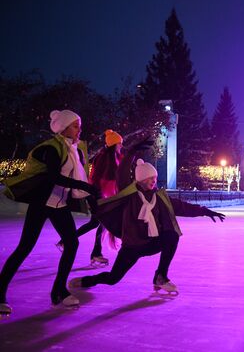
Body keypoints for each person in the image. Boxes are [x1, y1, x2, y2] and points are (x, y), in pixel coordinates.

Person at [69, 157, 225, 296]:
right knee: (112, 278)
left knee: (172, 236)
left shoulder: (159, 197)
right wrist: (130, 153)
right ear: (141, 179)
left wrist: (205, 211)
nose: (154, 181)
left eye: (155, 178)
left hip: (151, 243)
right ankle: (86, 281)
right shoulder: (130, 197)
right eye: (151, 178)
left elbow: (182, 207)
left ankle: (161, 276)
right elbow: (121, 174)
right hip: (132, 247)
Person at [0, 110, 100, 316]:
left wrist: (92, 199)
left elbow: (78, 179)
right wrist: (86, 187)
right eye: (75, 126)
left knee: (72, 243)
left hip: (59, 205)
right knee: (25, 247)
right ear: (63, 128)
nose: (79, 129)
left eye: (79, 125)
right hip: (42, 202)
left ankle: (59, 291)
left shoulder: (75, 149)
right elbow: (54, 177)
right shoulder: (52, 148)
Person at [55, 129, 124, 266]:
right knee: (101, 223)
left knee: (96, 223)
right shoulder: (107, 158)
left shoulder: (110, 157)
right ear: (114, 144)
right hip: (99, 196)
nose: (122, 146)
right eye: (120, 143)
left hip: (101, 196)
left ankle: (72, 244)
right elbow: (104, 180)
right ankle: (94, 253)